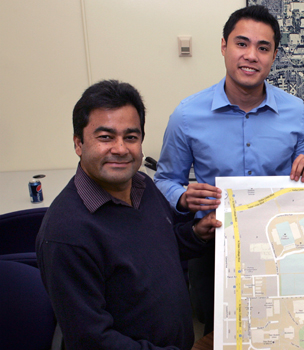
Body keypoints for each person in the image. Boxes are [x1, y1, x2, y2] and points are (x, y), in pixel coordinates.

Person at [154, 5, 304, 335]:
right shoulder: (187, 115)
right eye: (241, 43)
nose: (251, 56)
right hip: (214, 247)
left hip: (282, 246)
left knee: (286, 327)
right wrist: (184, 196)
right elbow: (164, 180)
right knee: (219, 332)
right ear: (223, 46)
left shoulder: (295, 111)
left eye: (263, 48)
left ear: (274, 55)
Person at [36, 80, 221, 350]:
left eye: (131, 137)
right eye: (105, 137)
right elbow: (92, 340)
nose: (121, 149)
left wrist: (195, 234)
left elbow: (158, 248)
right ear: (78, 143)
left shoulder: (143, 187)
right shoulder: (66, 234)